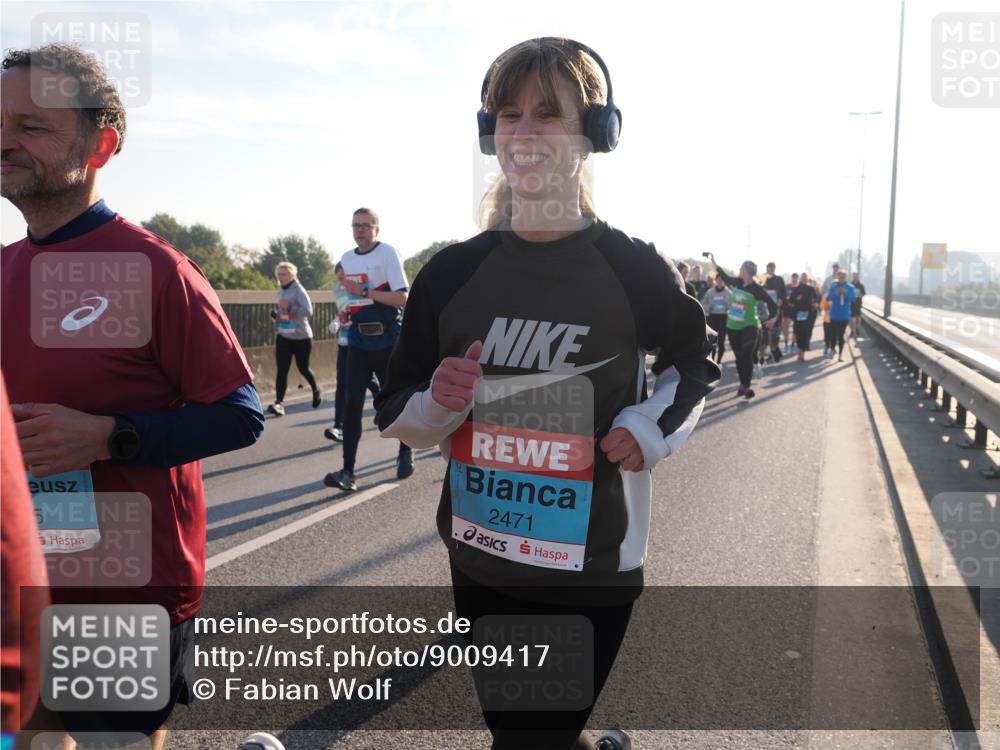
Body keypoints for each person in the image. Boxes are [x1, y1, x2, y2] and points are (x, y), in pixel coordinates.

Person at [374, 38, 719, 750]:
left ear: (593, 133)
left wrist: (649, 428)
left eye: (548, 113)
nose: (525, 131)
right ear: (490, 132)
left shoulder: (632, 268)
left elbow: (695, 361)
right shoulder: (451, 274)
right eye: (509, 114)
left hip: (589, 567)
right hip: (481, 555)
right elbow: (396, 410)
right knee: (522, 730)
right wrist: (438, 402)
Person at [0, 44, 272, 750]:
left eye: (31, 126)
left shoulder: (156, 269)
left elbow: (240, 416)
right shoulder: (3, 267)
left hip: (123, 591)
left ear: (100, 145)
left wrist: (109, 436)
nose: (5, 140)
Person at [323, 208, 413, 491]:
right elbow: (351, 298)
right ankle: (348, 472)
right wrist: (347, 311)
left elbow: (402, 297)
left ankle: (405, 451)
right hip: (358, 341)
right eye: (355, 225)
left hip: (387, 339)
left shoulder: (388, 253)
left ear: (376, 229)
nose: (359, 230)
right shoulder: (347, 259)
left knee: (395, 400)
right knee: (352, 405)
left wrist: (364, 292)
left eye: (365, 225)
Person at [708, 255, 778, 399]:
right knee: (739, 357)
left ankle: (746, 386)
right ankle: (742, 384)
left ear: (746, 271)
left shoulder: (757, 289)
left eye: (741, 267)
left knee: (746, 355)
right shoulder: (738, 282)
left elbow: (772, 303)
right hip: (733, 326)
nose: (739, 269)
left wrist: (772, 319)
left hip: (750, 326)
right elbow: (724, 276)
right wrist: (713, 260)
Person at [267, 261, 321, 417]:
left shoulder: (299, 291)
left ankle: (316, 390)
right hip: (284, 335)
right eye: (279, 274)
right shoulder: (281, 290)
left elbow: (308, 311)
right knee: (282, 370)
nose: (281, 277)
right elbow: (283, 310)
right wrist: (277, 313)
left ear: (292, 275)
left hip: (301, 337)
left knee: (303, 368)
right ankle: (279, 403)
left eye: (284, 274)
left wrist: (291, 308)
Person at [826, 270, 857, 360]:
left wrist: (845, 293)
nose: (842, 278)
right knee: (832, 334)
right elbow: (828, 298)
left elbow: (853, 299)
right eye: (840, 277)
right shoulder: (834, 287)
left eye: (843, 276)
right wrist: (836, 293)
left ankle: (840, 354)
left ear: (846, 277)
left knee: (840, 334)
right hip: (834, 314)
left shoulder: (850, 287)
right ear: (838, 277)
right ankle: (833, 350)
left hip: (844, 315)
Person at [787, 272, 818, 360]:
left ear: (807, 279)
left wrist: (815, 303)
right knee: (798, 331)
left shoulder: (810, 288)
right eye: (802, 277)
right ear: (801, 278)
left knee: (805, 331)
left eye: (805, 277)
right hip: (798, 313)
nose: (804, 279)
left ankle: (802, 351)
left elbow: (816, 298)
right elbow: (791, 300)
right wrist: (797, 299)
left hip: (808, 312)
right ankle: (799, 348)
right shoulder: (797, 289)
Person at [701, 272, 731, 364]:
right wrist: (709, 307)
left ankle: (718, 361)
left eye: (722, 280)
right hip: (712, 318)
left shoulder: (728, 293)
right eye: (718, 280)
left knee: (721, 342)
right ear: (716, 280)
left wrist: (727, 307)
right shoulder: (710, 292)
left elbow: (733, 305)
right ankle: (713, 360)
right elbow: (703, 303)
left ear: (724, 281)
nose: (720, 281)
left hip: (723, 318)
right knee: (712, 341)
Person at [761, 262, 786, 364]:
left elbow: (783, 293)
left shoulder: (779, 279)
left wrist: (781, 300)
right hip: (764, 310)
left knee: (774, 335)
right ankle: (774, 354)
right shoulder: (762, 279)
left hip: (776, 311)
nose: (770, 270)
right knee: (765, 335)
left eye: (772, 268)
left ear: (774, 269)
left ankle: (775, 352)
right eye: (768, 268)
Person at [782, 272, 799, 354]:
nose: (794, 279)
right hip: (787, 309)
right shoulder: (787, 286)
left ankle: (792, 345)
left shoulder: (799, 288)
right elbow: (783, 296)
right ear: (791, 278)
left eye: (796, 278)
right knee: (785, 327)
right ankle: (786, 344)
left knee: (796, 328)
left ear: (797, 279)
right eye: (793, 278)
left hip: (796, 310)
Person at [850, 271, 866, 338]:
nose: (855, 277)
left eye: (856, 276)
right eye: (854, 276)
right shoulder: (850, 285)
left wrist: (860, 295)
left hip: (858, 303)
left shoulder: (861, 285)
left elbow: (864, 293)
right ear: (852, 277)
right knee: (852, 318)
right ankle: (853, 331)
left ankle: (857, 328)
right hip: (852, 303)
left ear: (858, 277)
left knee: (858, 318)